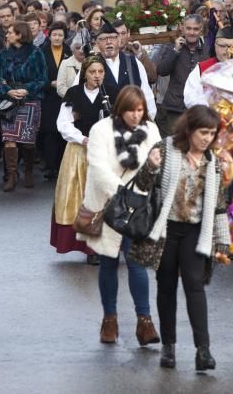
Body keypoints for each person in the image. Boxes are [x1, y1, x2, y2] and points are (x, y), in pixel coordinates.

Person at [132, 105, 231, 371]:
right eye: (203, 132)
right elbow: (141, 186)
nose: (207, 138)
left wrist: (223, 242)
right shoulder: (165, 149)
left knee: (194, 285)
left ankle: (203, 350)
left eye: (212, 133)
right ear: (189, 130)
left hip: (195, 231)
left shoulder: (213, 161)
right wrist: (150, 168)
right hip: (166, 229)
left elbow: (219, 204)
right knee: (166, 288)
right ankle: (169, 347)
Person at [81, 85, 161, 345]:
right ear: (120, 108)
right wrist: (123, 194)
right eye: (131, 110)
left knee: (137, 263)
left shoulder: (151, 130)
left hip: (138, 208)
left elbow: (158, 163)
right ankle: (110, 319)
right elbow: (98, 167)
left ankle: (145, 321)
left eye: (140, 110)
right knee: (108, 263)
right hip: (108, 205)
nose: (136, 115)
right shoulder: (100, 130)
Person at [52, 55, 112, 260]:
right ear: (84, 73)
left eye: (100, 72)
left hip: (104, 152)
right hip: (79, 151)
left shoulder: (110, 94)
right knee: (79, 197)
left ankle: (100, 246)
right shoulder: (74, 93)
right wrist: (82, 138)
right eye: (92, 72)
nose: (97, 76)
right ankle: (85, 245)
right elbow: (64, 123)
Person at [0, 21, 48, 191]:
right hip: (9, 101)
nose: (6, 35)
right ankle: (12, 175)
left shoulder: (36, 53)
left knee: (27, 142)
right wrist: (8, 91)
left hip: (29, 100)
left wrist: (26, 89)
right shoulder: (3, 54)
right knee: (9, 139)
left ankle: (29, 170)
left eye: (10, 32)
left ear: (19, 35)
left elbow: (43, 79)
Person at [156, 14, 208, 136]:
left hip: (199, 107)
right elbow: (162, 70)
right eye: (188, 28)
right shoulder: (172, 47)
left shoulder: (208, 50)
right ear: (183, 28)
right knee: (175, 145)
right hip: (175, 107)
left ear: (201, 31)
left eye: (196, 29)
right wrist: (175, 51)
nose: (192, 32)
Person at [38, 22, 71, 180]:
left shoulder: (69, 51)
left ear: (65, 37)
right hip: (49, 98)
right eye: (54, 35)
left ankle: (62, 166)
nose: (57, 38)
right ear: (49, 36)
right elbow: (37, 76)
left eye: (60, 35)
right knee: (50, 133)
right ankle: (50, 167)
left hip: (65, 98)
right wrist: (49, 83)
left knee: (63, 133)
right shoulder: (41, 52)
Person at [183, 25, 233, 108]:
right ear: (215, 45)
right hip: (210, 117)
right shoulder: (202, 68)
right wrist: (214, 104)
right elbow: (190, 98)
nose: (227, 51)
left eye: (232, 46)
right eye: (223, 46)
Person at [113, 18, 157, 84]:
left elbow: (152, 78)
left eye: (123, 33)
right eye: (117, 34)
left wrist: (139, 55)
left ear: (128, 33)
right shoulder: (108, 53)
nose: (120, 37)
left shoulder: (137, 50)